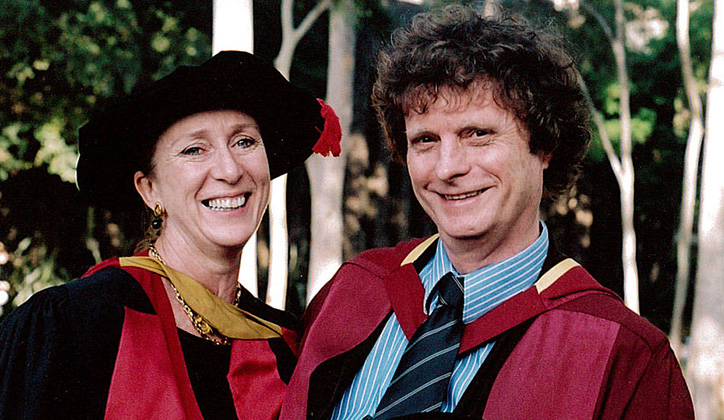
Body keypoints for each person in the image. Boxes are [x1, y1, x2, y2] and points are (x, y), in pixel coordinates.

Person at [281, 6, 693, 420]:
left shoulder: (628, 359)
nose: (447, 168)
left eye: (477, 134)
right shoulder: (353, 293)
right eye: (425, 140)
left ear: (545, 144)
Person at [0, 51, 341, 420]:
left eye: (244, 142)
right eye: (195, 149)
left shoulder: (285, 343)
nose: (229, 170)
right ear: (149, 190)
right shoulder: (74, 325)